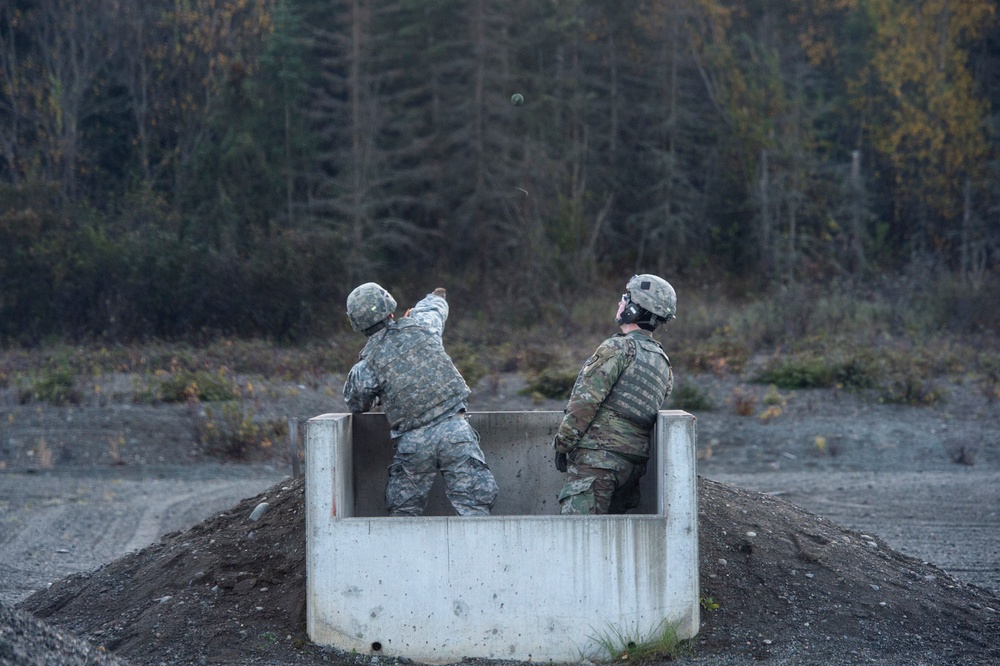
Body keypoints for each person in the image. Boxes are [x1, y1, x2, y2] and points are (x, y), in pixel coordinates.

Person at [343, 283, 499, 516]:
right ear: (390, 309)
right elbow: (434, 309)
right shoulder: (422, 325)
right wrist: (436, 296)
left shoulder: (365, 366)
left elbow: (356, 403)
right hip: (455, 431)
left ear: (357, 324)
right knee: (475, 508)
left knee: (404, 513)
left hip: (413, 444)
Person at [552, 274, 676, 515]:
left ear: (634, 309)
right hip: (632, 466)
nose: (620, 304)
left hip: (598, 460)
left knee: (577, 540)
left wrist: (563, 443)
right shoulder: (662, 360)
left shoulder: (618, 347)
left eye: (625, 299)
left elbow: (585, 402)